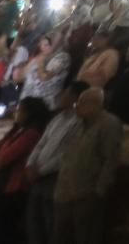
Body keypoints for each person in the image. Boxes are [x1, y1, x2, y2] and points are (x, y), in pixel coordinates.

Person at [53, 86, 124, 244]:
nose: (76, 106)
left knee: (85, 236)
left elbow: (110, 159)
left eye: (81, 103)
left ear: (95, 104)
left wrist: (99, 191)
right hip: (65, 193)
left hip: (86, 194)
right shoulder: (77, 125)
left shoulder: (109, 124)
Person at [24, 80, 90, 244]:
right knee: (34, 222)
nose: (60, 95)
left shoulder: (80, 122)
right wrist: (30, 165)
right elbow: (41, 143)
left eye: (65, 92)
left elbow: (68, 153)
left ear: (75, 97)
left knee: (51, 224)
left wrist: (41, 170)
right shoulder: (58, 119)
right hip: (37, 176)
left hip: (55, 177)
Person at [0, 96, 51, 243]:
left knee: (3, 229)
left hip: (14, 188)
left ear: (28, 113)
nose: (16, 113)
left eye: (19, 110)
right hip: (2, 185)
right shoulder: (18, 132)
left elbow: (5, 158)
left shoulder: (31, 135)